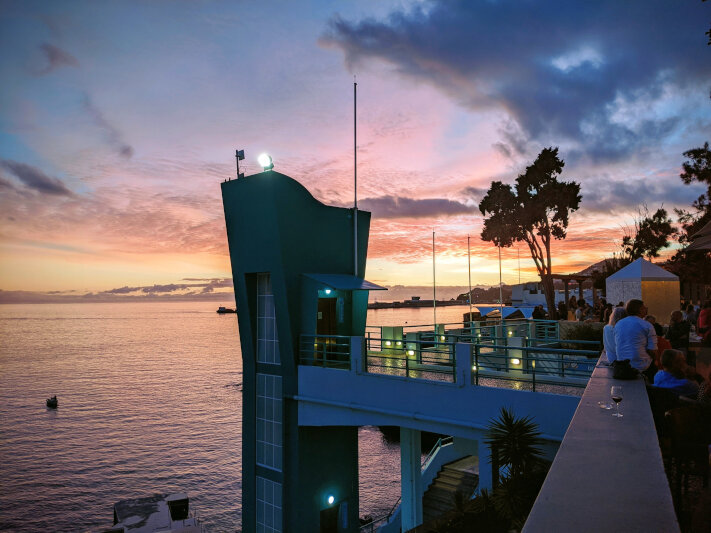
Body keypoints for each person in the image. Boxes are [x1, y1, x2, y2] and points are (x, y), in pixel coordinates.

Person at [614, 299, 657, 378]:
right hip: (642, 366)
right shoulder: (647, 325)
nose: (646, 310)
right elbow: (652, 350)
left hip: (622, 365)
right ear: (640, 310)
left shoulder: (618, 324)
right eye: (644, 308)